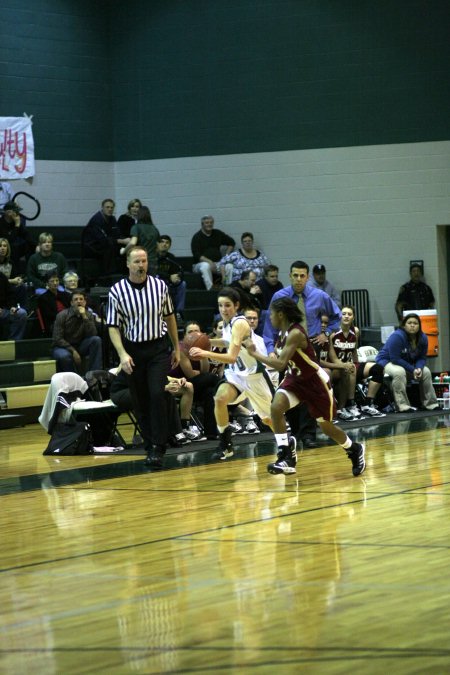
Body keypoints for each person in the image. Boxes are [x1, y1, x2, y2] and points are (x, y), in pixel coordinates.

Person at [247, 297, 365, 477]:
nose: (269, 317)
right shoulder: (282, 333)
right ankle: (286, 455)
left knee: (326, 427)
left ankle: (354, 449)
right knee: (276, 407)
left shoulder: (295, 333)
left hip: (314, 383)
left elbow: (279, 364)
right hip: (295, 379)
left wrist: (254, 353)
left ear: (281, 314)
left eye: (271, 314)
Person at [106, 246, 180, 469]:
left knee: (158, 393)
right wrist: (122, 354)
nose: (141, 265)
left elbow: (170, 317)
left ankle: (159, 445)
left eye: (144, 261)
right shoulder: (117, 291)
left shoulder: (159, 286)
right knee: (141, 400)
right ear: (128, 264)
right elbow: (112, 326)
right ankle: (150, 445)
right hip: (133, 350)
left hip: (158, 348)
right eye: (137, 261)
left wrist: (176, 347)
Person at [189, 287, 274, 460]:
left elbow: (231, 357)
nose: (223, 309)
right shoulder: (227, 324)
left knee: (269, 419)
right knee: (219, 398)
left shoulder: (240, 323)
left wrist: (205, 352)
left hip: (254, 376)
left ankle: (287, 443)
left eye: (227, 305)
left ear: (236, 306)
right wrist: (206, 341)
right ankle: (226, 444)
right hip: (236, 376)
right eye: (220, 305)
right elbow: (226, 341)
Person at [263, 260, 341, 449]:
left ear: (308, 277)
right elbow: (269, 326)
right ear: (289, 276)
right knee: (288, 391)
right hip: (285, 349)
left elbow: (336, 316)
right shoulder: (279, 297)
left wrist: (326, 333)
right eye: (295, 275)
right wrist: (270, 349)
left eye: (302, 276)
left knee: (310, 391)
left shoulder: (319, 295)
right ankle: (296, 432)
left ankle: (308, 434)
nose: (298, 279)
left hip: (309, 348)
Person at [375, 313, 439, 412]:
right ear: (404, 325)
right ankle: (402, 406)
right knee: (399, 372)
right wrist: (413, 369)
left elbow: (422, 357)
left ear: (419, 326)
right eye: (409, 323)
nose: (412, 325)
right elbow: (395, 358)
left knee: (425, 371)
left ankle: (431, 404)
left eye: (415, 323)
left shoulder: (423, 338)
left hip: (406, 363)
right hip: (386, 361)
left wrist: (418, 368)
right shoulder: (397, 336)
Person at [169, 320, 219, 440]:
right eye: (190, 332)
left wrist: (203, 354)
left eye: (196, 331)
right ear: (185, 335)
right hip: (179, 386)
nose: (194, 334)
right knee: (214, 378)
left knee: (210, 391)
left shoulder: (201, 347)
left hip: (194, 386)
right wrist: (199, 373)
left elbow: (204, 372)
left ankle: (211, 432)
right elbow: (191, 375)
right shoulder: (180, 349)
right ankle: (231, 410)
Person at [52, 290, 102, 373]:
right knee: (65, 356)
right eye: (76, 299)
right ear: (71, 303)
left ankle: (94, 375)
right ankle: (73, 378)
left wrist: (84, 317)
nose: (79, 301)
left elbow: (93, 333)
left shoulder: (88, 314)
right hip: (62, 347)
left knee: (96, 340)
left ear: (85, 302)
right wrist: (73, 351)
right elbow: (57, 338)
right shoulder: (62, 315)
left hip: (80, 345)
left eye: (81, 299)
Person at [191, 215, 235, 290]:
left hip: (217, 263)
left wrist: (226, 257)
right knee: (205, 266)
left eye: (211, 222)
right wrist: (210, 262)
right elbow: (196, 255)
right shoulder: (196, 237)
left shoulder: (218, 233)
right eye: (207, 223)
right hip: (200, 265)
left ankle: (227, 288)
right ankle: (211, 289)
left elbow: (232, 242)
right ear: (202, 224)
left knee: (230, 266)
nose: (209, 224)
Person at [120, 205, 160, 275]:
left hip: (140, 262)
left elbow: (133, 242)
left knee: (139, 284)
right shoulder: (154, 229)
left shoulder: (136, 227)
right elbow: (158, 247)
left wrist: (124, 250)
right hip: (153, 262)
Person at [82, 198, 118, 276]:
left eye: (111, 207)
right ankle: (107, 274)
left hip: (102, 244)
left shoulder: (112, 219)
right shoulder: (96, 220)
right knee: (109, 247)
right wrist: (118, 241)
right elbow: (101, 239)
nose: (110, 209)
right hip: (91, 246)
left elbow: (116, 234)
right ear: (102, 208)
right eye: (107, 207)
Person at [156, 234, 186, 323]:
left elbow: (177, 270)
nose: (164, 244)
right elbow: (153, 272)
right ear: (157, 244)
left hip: (168, 282)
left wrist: (176, 277)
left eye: (167, 243)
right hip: (157, 282)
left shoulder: (171, 257)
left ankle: (179, 312)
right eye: (162, 242)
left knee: (182, 284)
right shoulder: (152, 257)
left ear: (169, 245)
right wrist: (169, 276)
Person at [0, 200, 35, 265]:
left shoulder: (15, 222)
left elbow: (26, 235)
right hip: (3, 248)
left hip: (13, 249)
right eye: (16, 211)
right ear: (8, 213)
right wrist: (17, 225)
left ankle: (29, 268)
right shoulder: (1, 223)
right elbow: (8, 241)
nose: (18, 213)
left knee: (30, 245)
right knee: (13, 248)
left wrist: (37, 246)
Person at [0, 237, 28, 307]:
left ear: (8, 248)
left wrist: (18, 280)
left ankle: (22, 310)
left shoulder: (10, 263)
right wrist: (12, 281)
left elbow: (15, 276)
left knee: (22, 287)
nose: (2, 248)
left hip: (8, 289)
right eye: (0, 246)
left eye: (5, 246)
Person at [0, 271, 27, 340]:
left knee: (21, 313)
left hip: (3, 310)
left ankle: (13, 342)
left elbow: (10, 294)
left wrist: (12, 306)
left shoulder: (1, 276)